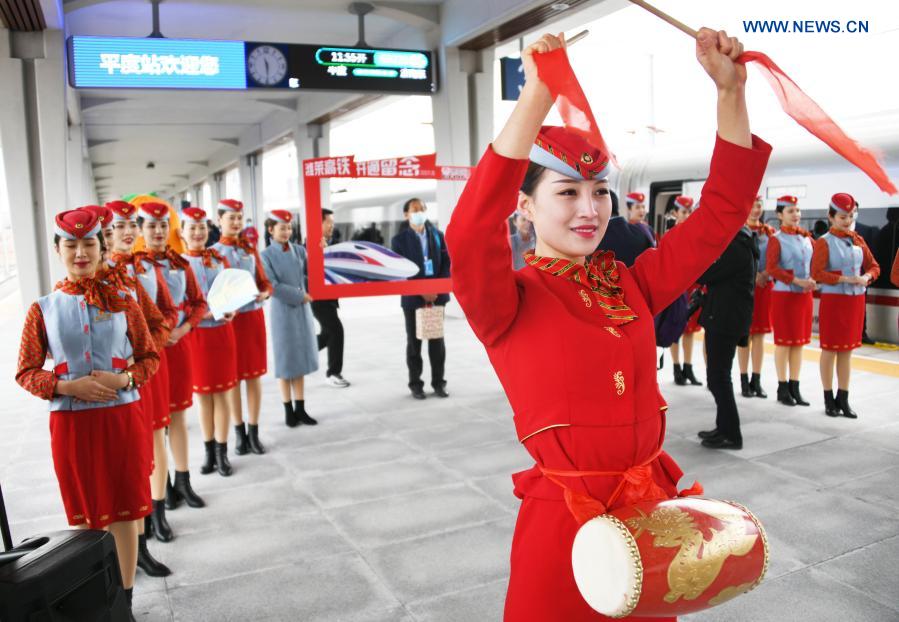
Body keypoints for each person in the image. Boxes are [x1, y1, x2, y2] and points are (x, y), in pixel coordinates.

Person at [445, 29, 768, 621]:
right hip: (564, 521)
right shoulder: (506, 303)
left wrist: (730, 94)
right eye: (566, 193)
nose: (589, 210)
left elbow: (721, 214)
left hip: (650, 519)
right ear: (525, 208)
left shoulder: (632, 283)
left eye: (599, 193)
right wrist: (537, 96)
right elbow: (467, 232)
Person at [16, 208, 160, 620]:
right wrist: (66, 387)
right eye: (71, 245)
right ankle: (98, 604)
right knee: (87, 516)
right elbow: (25, 371)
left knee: (127, 512)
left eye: (89, 243)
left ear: (100, 247)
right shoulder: (41, 309)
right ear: (58, 250)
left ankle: (126, 605)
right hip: (71, 424)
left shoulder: (125, 301)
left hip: (122, 419)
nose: (81, 252)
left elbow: (150, 357)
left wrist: (124, 380)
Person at [104, 200, 173, 577]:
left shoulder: (141, 267)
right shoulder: (103, 274)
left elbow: (159, 318)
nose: (128, 231)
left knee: (152, 446)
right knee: (131, 459)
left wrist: (146, 352)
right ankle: (131, 546)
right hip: (117, 383)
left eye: (132, 224)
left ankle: (149, 528)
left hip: (145, 372)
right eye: (119, 226)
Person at [136, 202, 208, 517]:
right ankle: (159, 489)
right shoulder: (133, 267)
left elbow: (198, 302)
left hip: (177, 347)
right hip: (149, 352)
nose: (158, 231)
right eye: (151, 225)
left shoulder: (180, 264)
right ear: (141, 230)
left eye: (163, 225)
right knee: (154, 423)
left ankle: (183, 480)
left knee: (178, 417)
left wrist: (187, 327)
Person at [180, 207, 239, 476]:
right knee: (204, 396)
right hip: (198, 336)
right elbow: (182, 305)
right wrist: (210, 312)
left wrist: (233, 307)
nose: (197, 232)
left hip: (222, 333)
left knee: (224, 394)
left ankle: (222, 452)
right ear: (182, 232)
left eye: (202, 227)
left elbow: (231, 290)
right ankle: (208, 452)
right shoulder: (178, 265)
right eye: (191, 228)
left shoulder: (219, 259)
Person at [212, 199, 273, 455]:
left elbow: (265, 282)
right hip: (230, 323)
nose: (236, 222)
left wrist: (265, 293)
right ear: (220, 220)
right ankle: (239, 434)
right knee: (233, 378)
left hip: (252, 319)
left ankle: (254, 431)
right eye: (231, 218)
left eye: (239, 217)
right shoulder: (213, 253)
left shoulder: (250, 249)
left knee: (254, 377)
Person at [812, 193, 880, 418]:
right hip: (834, 302)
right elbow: (817, 273)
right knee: (830, 350)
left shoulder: (859, 240)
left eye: (851, 216)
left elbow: (875, 266)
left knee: (847, 352)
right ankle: (828, 398)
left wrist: (867, 277)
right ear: (831, 217)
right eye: (842, 217)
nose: (847, 220)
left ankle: (844, 398)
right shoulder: (824, 242)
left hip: (855, 302)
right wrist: (844, 279)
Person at [696, 225, 759, 449]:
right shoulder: (742, 242)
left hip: (726, 319)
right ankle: (723, 427)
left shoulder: (735, 247)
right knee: (719, 377)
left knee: (718, 378)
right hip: (726, 317)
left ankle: (732, 434)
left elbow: (706, 273)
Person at [261, 210, 320, 427]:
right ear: (270, 230)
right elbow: (271, 285)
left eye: (289, 227)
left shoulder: (299, 250)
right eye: (281, 228)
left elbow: (309, 274)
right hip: (283, 311)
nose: (286, 231)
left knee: (300, 360)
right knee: (286, 362)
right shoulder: (265, 255)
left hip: (302, 309)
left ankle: (301, 408)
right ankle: (288, 409)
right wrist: (299, 295)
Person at [391, 197, 452, 400]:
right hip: (413, 299)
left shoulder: (438, 235)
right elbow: (400, 270)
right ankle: (416, 384)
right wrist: (421, 290)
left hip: (436, 297)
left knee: (437, 342)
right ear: (406, 214)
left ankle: (438, 383)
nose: (420, 212)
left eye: (423, 209)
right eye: (415, 209)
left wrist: (436, 287)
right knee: (414, 342)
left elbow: (446, 264)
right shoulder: (399, 241)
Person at [766, 195, 816, 407]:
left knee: (799, 343)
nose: (796, 215)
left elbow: (816, 263)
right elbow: (772, 268)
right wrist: (796, 280)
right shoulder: (776, 239)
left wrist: (814, 279)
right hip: (784, 295)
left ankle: (795, 387)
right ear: (779, 215)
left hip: (804, 296)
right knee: (784, 343)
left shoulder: (806, 238)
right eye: (790, 211)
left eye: (797, 211)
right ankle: (782, 386)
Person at [737, 195, 775, 398]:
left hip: (764, 288)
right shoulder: (737, 231)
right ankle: (743, 380)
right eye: (751, 205)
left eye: (758, 205)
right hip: (744, 288)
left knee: (759, 335)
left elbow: (775, 257)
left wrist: (766, 274)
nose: (755, 209)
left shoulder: (769, 233)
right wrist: (753, 276)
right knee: (745, 334)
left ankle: (756, 380)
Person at [312, 208, 350, 388]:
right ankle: (333, 373)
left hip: (330, 297)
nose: (331, 226)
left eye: (332, 223)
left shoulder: (328, 243)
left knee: (329, 333)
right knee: (336, 330)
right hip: (319, 298)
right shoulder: (312, 246)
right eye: (329, 223)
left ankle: (302, 352)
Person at [668, 196, 704, 386]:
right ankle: (676, 368)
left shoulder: (696, 235)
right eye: (684, 212)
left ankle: (688, 368)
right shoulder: (670, 235)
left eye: (690, 212)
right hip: (677, 287)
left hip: (693, 286)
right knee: (678, 329)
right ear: (675, 213)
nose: (688, 215)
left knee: (691, 330)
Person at [594, 190, 654, 267]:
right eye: (637, 207)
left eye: (643, 207)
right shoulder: (635, 231)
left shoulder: (648, 229)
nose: (642, 211)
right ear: (629, 209)